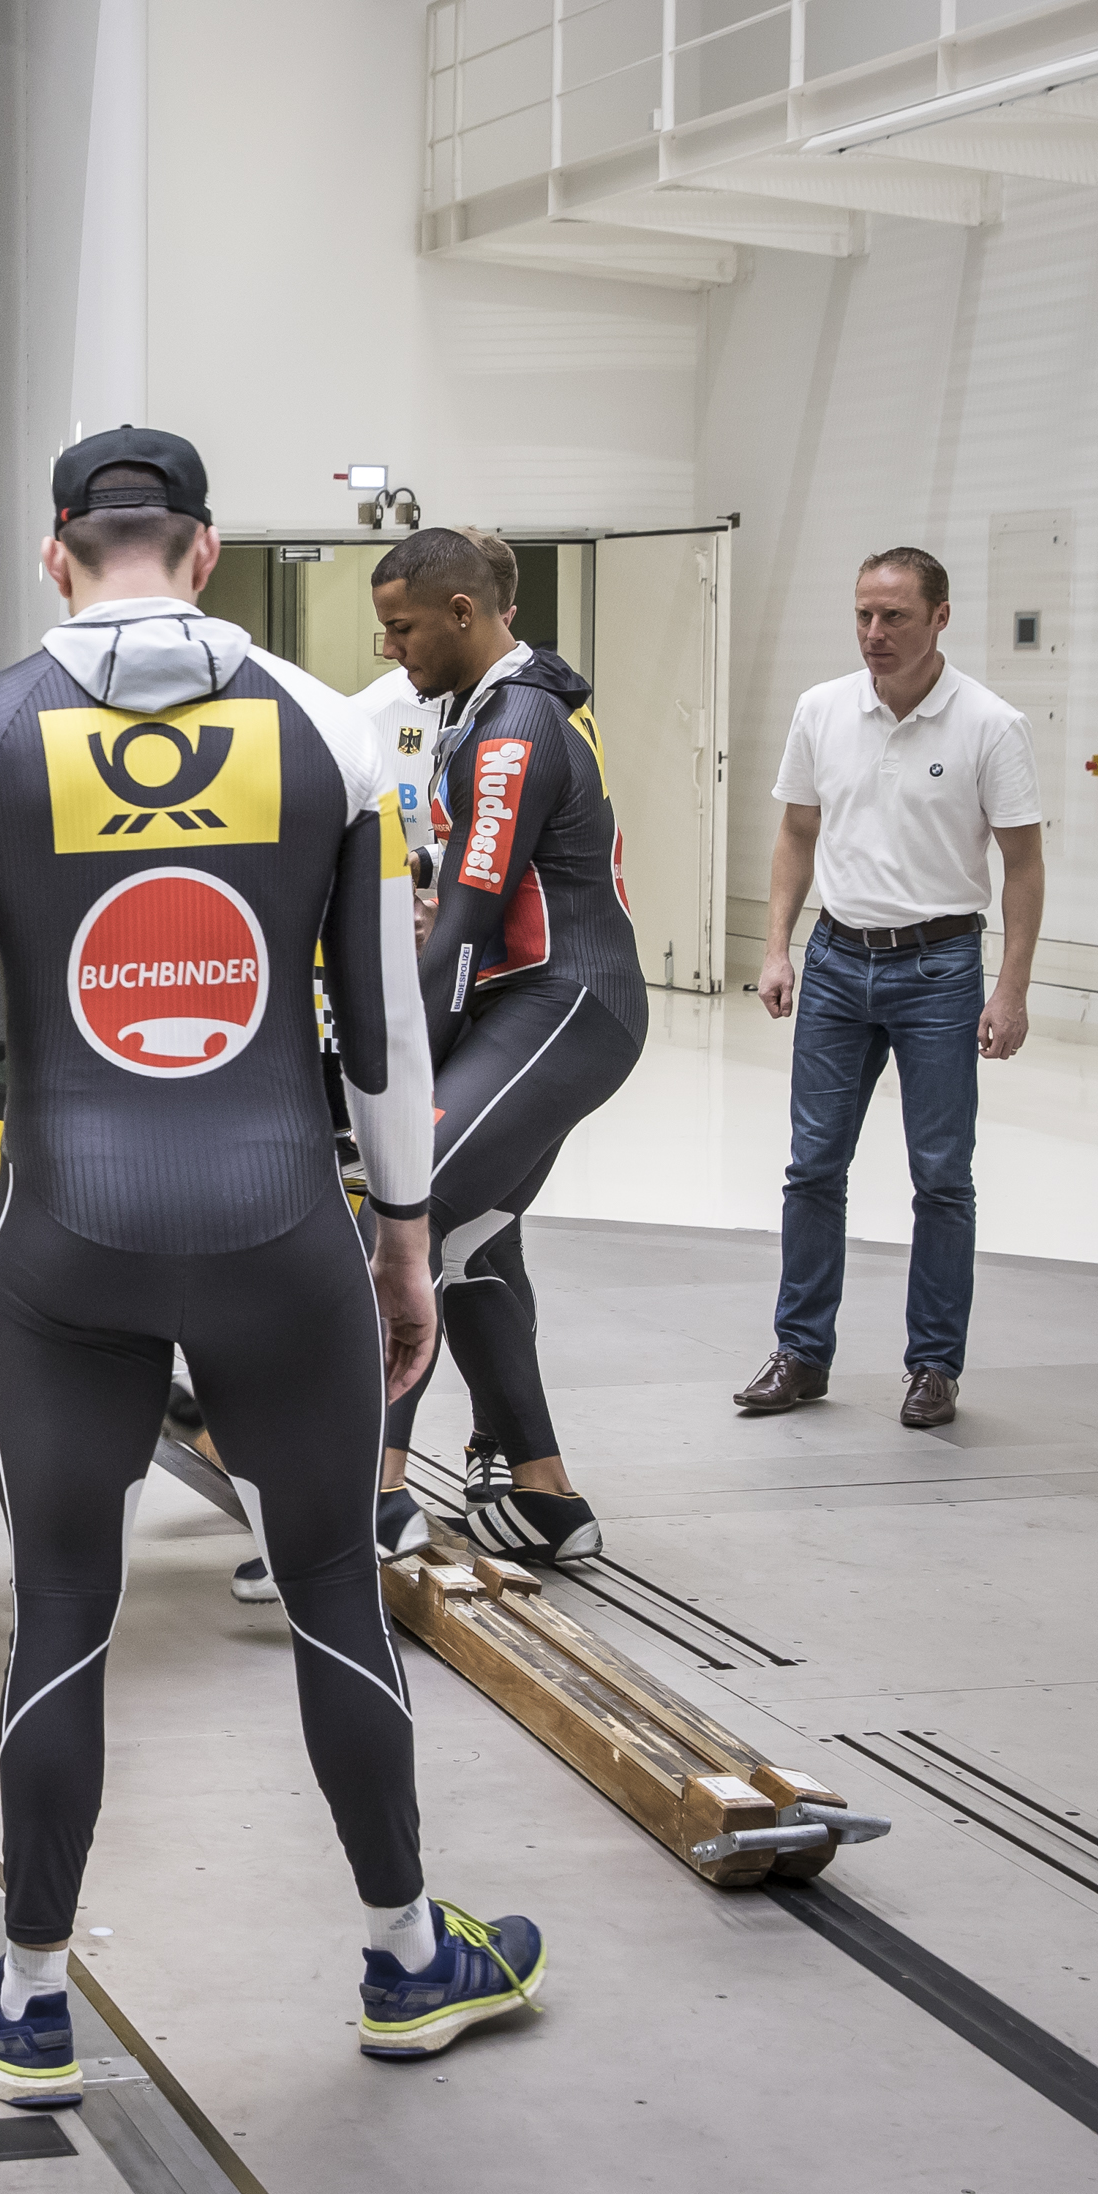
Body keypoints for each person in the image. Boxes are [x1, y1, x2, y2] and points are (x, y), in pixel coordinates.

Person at [0, 428, 544, 2095]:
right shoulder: (326, 733)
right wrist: (403, 1239)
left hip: (63, 1247)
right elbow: (381, 1021)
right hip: (281, 1235)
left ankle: (29, 2001)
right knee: (331, 1592)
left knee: (62, 1609)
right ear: (206, 551)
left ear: (54, 552)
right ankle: (404, 1960)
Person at [356, 526, 647, 1568]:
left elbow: (470, 918)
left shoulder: (515, 724)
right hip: (542, 1002)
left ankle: (369, 1489)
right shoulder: (491, 708)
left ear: (462, 613)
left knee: (404, 1207)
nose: (391, 648)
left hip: (564, 1000)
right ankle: (545, 1495)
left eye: (401, 627)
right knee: (474, 1243)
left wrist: (394, 1070)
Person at [737, 548, 1043, 1431]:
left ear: (940, 617)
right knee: (812, 1166)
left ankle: (934, 1366)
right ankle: (801, 1352)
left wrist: (1010, 990)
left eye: (895, 616)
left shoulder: (991, 724)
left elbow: (1023, 866)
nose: (875, 632)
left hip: (940, 969)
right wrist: (777, 948)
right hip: (837, 961)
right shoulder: (821, 709)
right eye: (864, 614)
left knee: (941, 1175)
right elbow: (797, 832)